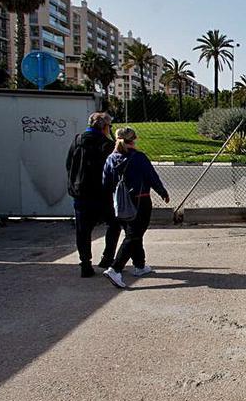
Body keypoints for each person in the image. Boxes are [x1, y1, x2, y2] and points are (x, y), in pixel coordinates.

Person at [101, 126, 169, 289]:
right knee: (134, 235)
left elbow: (106, 182)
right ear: (133, 140)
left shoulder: (111, 158)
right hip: (140, 201)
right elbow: (152, 177)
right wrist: (162, 192)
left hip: (119, 202)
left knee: (133, 233)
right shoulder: (139, 158)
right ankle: (115, 268)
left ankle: (139, 265)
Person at [66, 112, 121, 277]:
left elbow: (69, 164)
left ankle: (85, 264)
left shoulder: (77, 141)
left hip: (80, 192)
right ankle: (108, 257)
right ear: (105, 127)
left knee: (83, 230)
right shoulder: (107, 145)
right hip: (102, 194)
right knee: (114, 223)